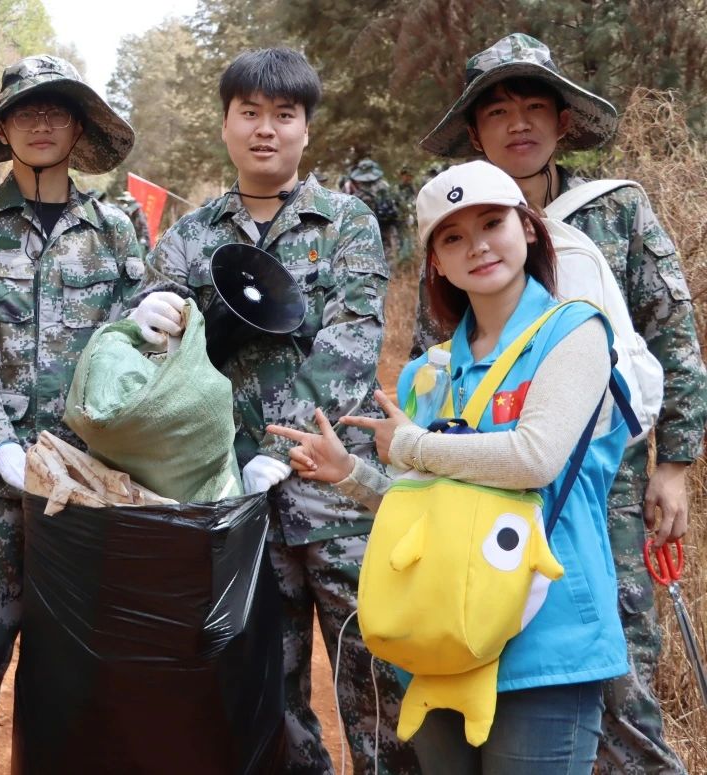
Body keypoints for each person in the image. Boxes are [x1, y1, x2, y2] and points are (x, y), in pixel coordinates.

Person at [273, 160, 633, 773]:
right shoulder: (428, 372)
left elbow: (534, 457)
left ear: (529, 230)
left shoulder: (574, 333)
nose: (478, 246)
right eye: (453, 236)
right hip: (439, 641)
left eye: (493, 223)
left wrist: (410, 445)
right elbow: (429, 509)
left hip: (544, 640)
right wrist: (351, 475)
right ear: (435, 260)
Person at [413, 33, 707, 773]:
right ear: (474, 133)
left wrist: (674, 467)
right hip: (486, 493)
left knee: (620, 671)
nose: (519, 123)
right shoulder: (456, 234)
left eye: (536, 105)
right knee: (497, 662)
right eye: (499, 111)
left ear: (564, 120)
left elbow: (673, 339)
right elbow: (439, 366)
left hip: (600, 489)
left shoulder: (617, 212)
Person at [128, 48, 417, 773]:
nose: (266, 130)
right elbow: (156, 359)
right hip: (233, 502)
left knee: (378, 681)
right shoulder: (191, 237)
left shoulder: (347, 222)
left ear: (305, 130)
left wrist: (276, 445)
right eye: (249, 113)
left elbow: (352, 342)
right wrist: (143, 320)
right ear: (225, 124)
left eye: (283, 115)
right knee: (268, 690)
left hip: (335, 495)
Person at [0, 54, 143, 772]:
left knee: (85, 649)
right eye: (26, 110)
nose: (42, 122)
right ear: (4, 126)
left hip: (92, 479)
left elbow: (137, 346)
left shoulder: (116, 228)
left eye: (57, 109)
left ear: (78, 126)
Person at [347, 157, 403, 263]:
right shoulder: (385, 185)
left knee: (372, 250)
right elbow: (395, 201)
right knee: (387, 249)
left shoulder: (360, 192)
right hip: (387, 221)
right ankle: (389, 272)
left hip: (370, 226)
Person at [115, 190, 152, 256]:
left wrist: (149, 247)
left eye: (125, 202)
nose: (123, 204)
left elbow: (145, 231)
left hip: (138, 243)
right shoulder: (123, 214)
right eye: (122, 202)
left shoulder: (139, 216)